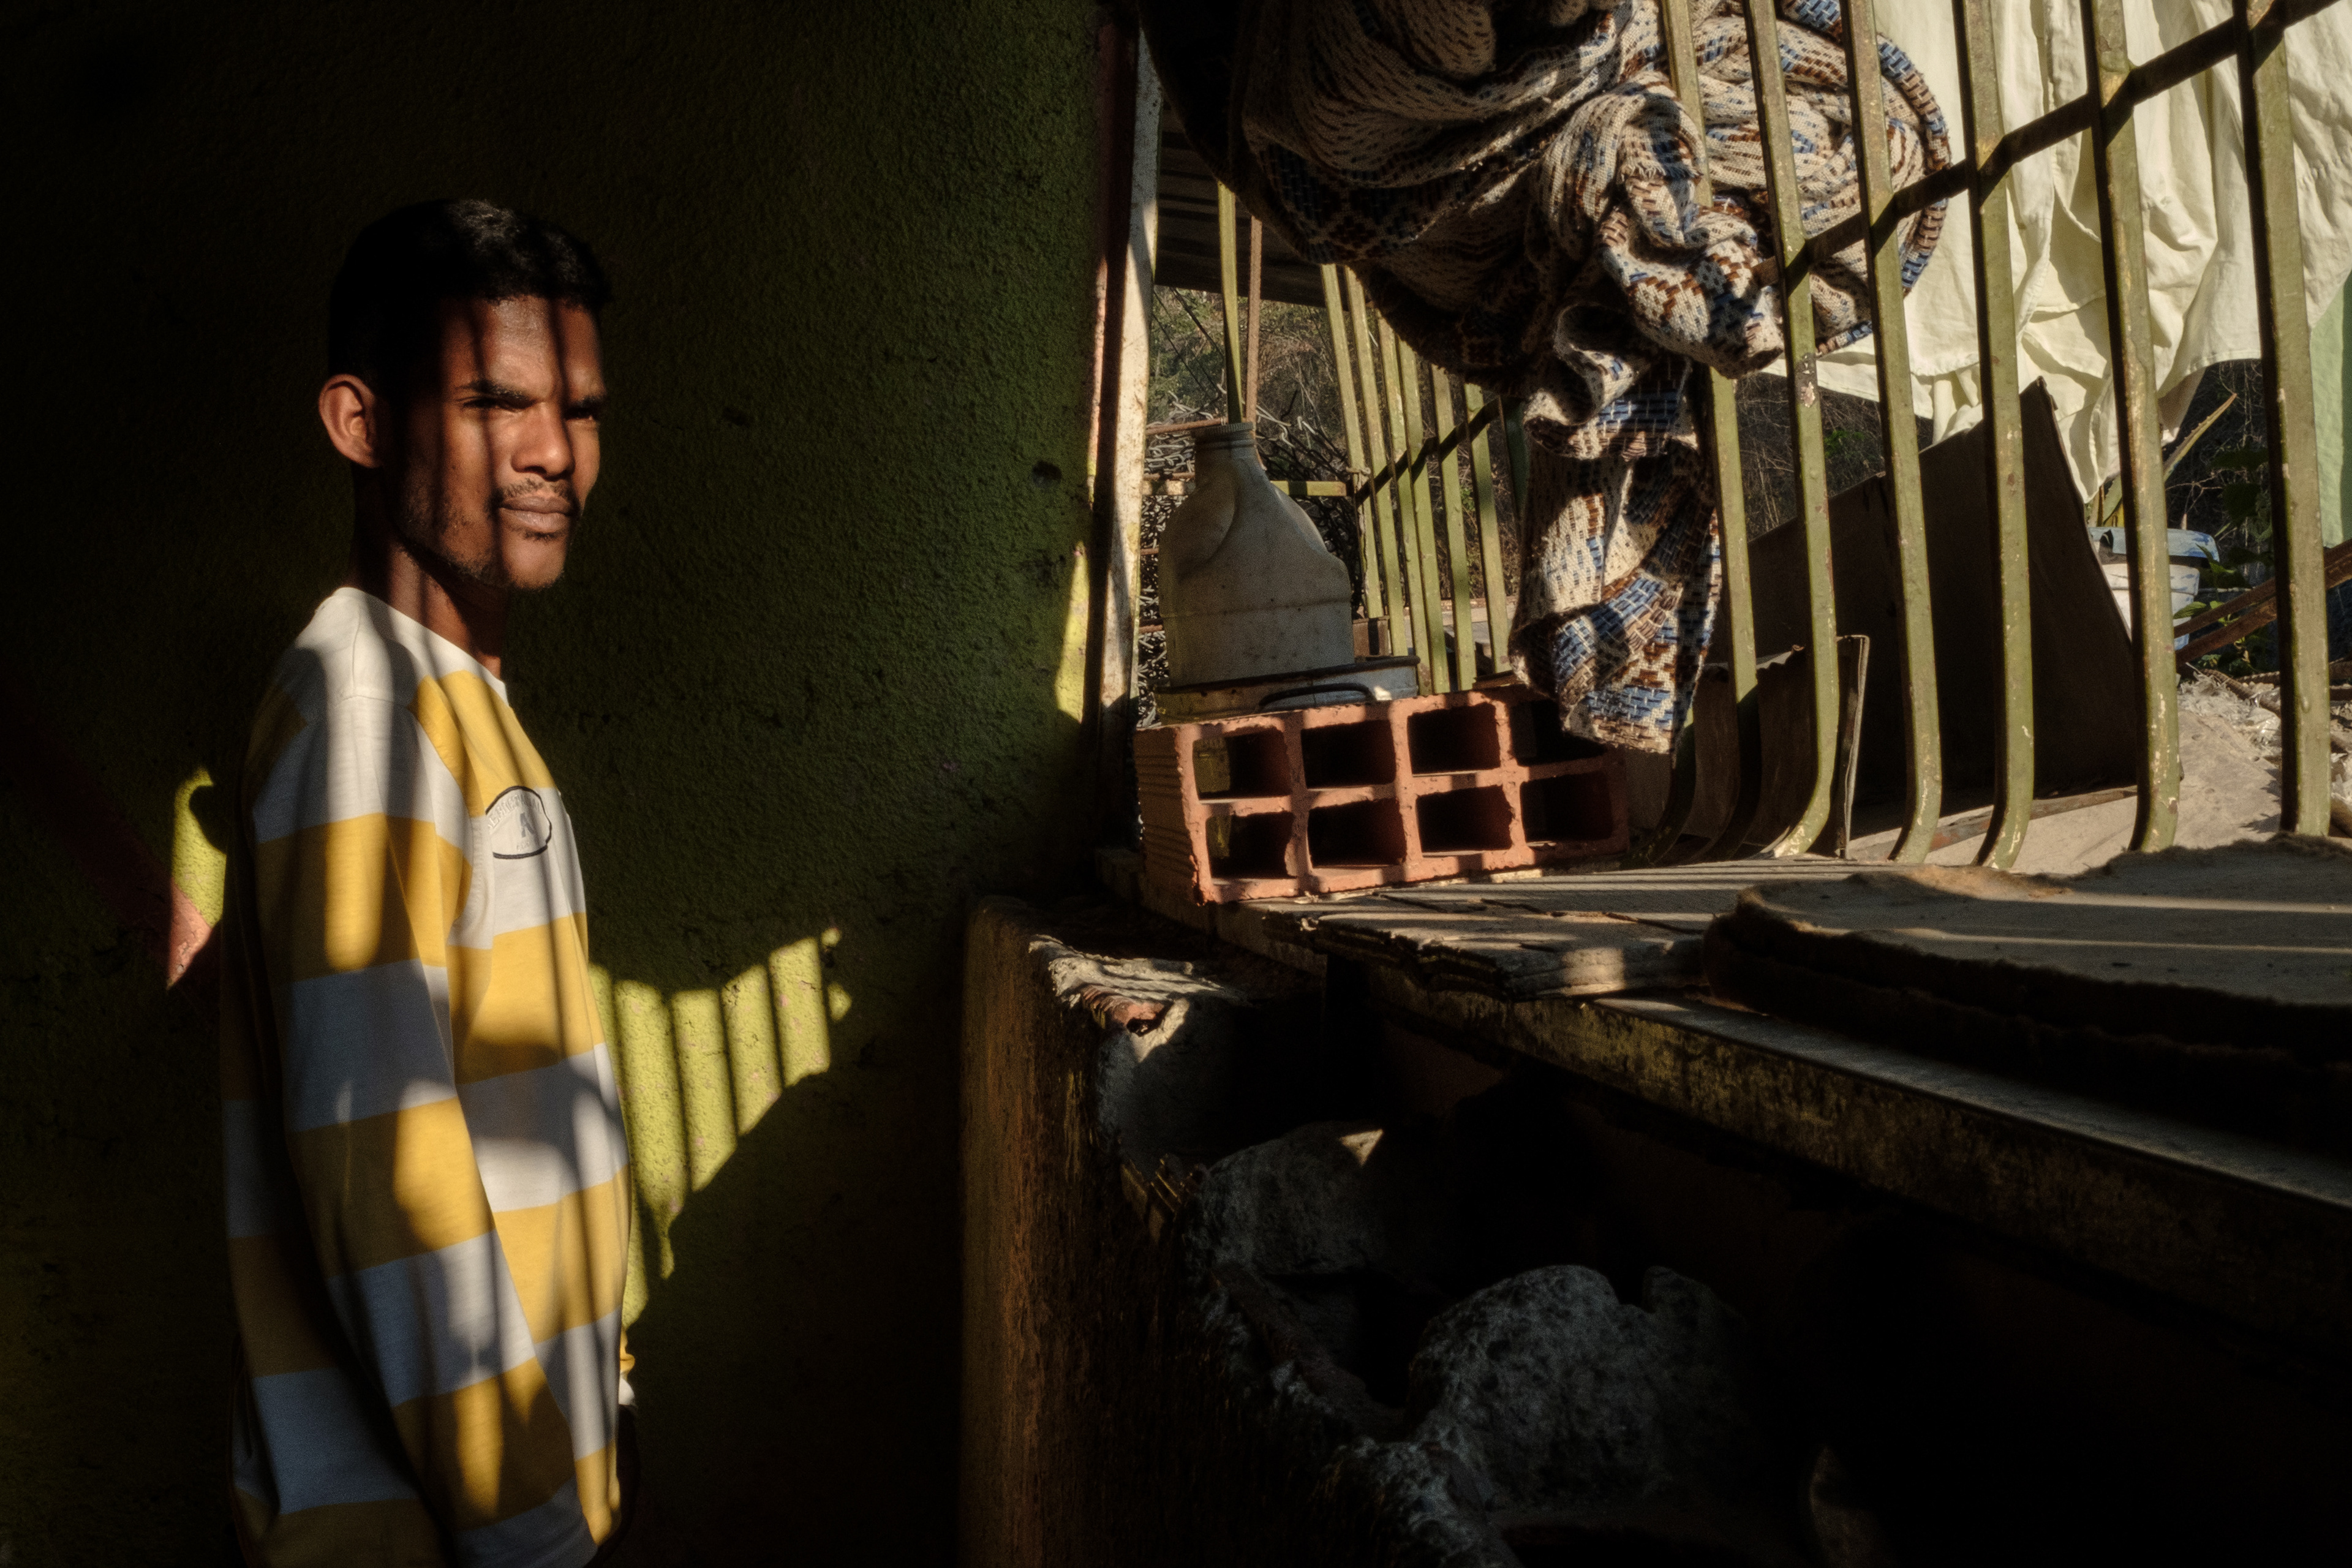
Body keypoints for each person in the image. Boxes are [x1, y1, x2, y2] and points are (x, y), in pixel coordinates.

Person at [218, 199, 635, 1567]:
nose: (551, 453)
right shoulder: (363, 713)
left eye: (577, 410)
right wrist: (533, 1537)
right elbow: (385, 1180)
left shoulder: (457, 702)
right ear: (362, 423)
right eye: (493, 403)